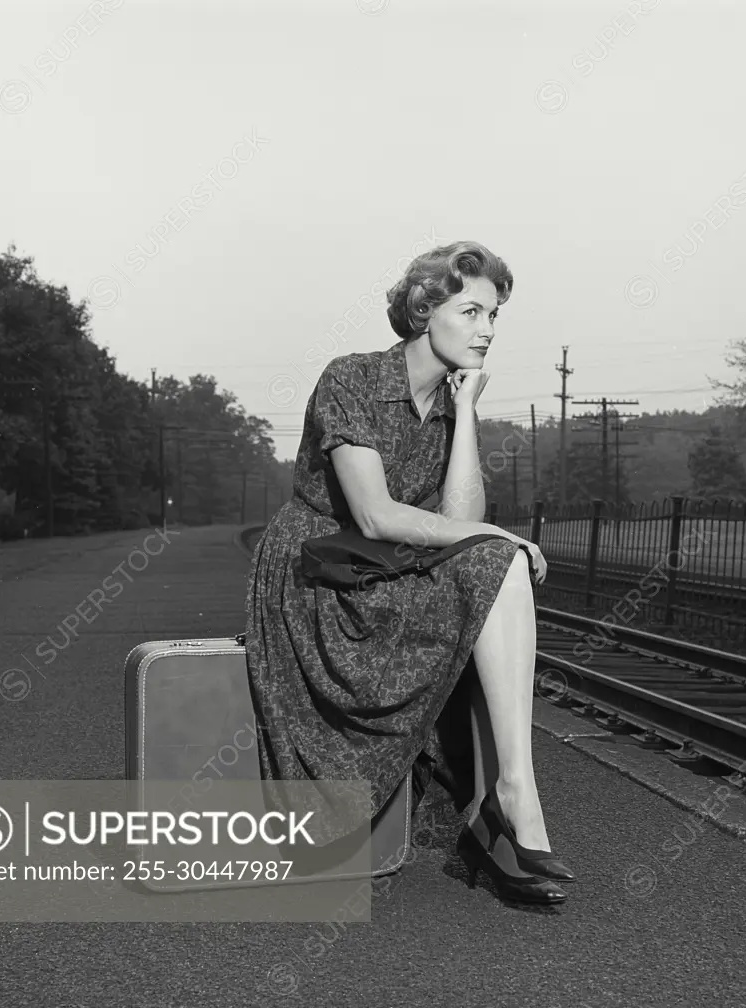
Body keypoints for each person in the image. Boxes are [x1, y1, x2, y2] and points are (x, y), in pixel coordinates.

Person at [244, 240, 573, 905]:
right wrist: (495, 535)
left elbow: (458, 514)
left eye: (494, 316)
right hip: (319, 575)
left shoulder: (453, 405)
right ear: (427, 308)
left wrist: (469, 411)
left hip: (384, 574)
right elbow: (373, 516)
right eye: (473, 311)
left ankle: (510, 795)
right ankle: (498, 810)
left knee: (496, 565)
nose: (487, 329)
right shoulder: (353, 378)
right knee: (496, 553)